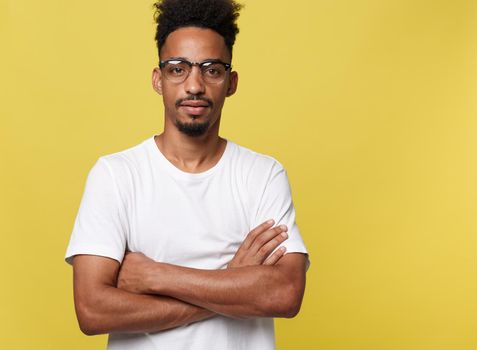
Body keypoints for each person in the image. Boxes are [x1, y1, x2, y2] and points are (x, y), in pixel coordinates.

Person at [65, 0, 309, 349]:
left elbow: (285, 294)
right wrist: (231, 283)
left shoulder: (262, 175)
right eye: (178, 68)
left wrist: (155, 276)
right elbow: (91, 310)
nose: (194, 85)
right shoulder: (116, 176)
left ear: (231, 82)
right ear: (158, 79)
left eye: (211, 69)